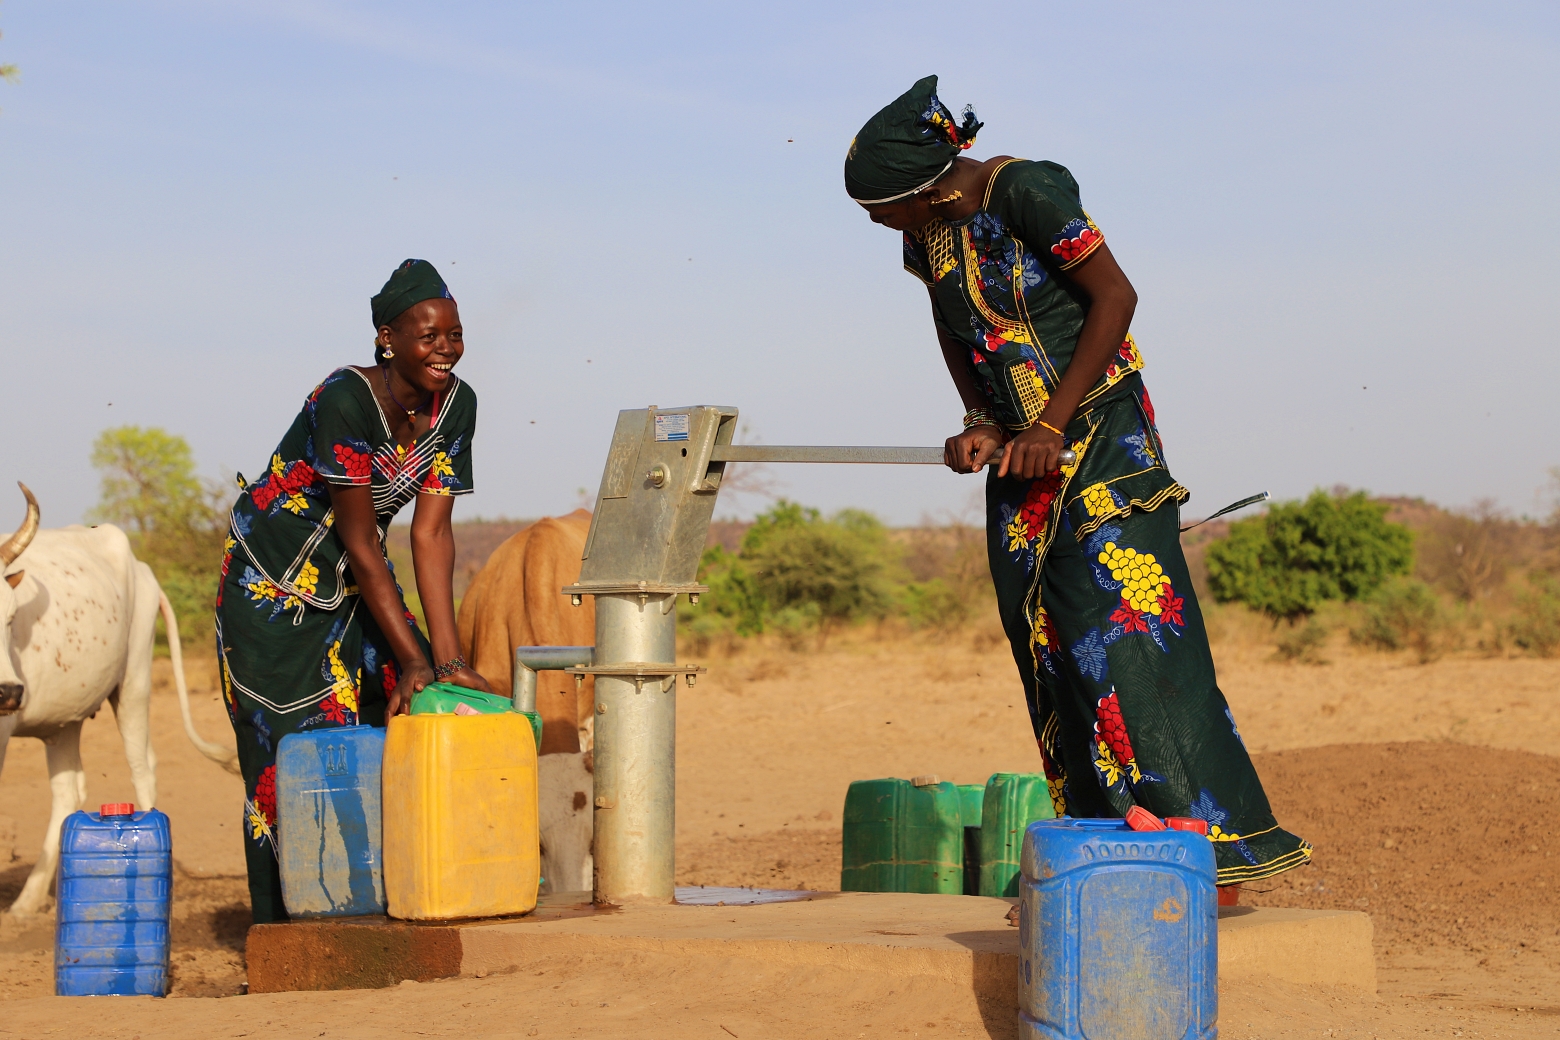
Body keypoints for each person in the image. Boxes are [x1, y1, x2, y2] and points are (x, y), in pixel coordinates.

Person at [845, 77, 1309, 889]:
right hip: (1027, 458)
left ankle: (1203, 853)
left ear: (923, 186)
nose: (876, 223)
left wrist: (1051, 424)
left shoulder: (1027, 189)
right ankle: (1113, 852)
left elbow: (1115, 297)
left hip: (1098, 440)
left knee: (1126, 642)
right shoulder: (926, 235)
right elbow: (953, 329)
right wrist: (981, 420)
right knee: (1054, 647)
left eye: (880, 207)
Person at [215, 259, 490, 922]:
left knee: (418, 705)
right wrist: (418, 659)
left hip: (353, 579)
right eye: (429, 336)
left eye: (454, 333)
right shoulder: (346, 399)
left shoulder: (457, 405)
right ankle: (281, 928)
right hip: (273, 592)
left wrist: (446, 663)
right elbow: (363, 540)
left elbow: (431, 539)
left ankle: (382, 899)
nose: (446, 347)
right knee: (287, 755)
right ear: (387, 338)